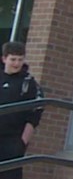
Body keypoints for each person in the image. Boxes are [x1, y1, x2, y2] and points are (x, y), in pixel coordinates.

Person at [0, 42, 42, 179]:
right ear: (4, 59)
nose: (16, 63)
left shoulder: (28, 83)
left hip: (13, 139)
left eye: (20, 59)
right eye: (13, 59)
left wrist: (23, 141)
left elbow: (36, 112)